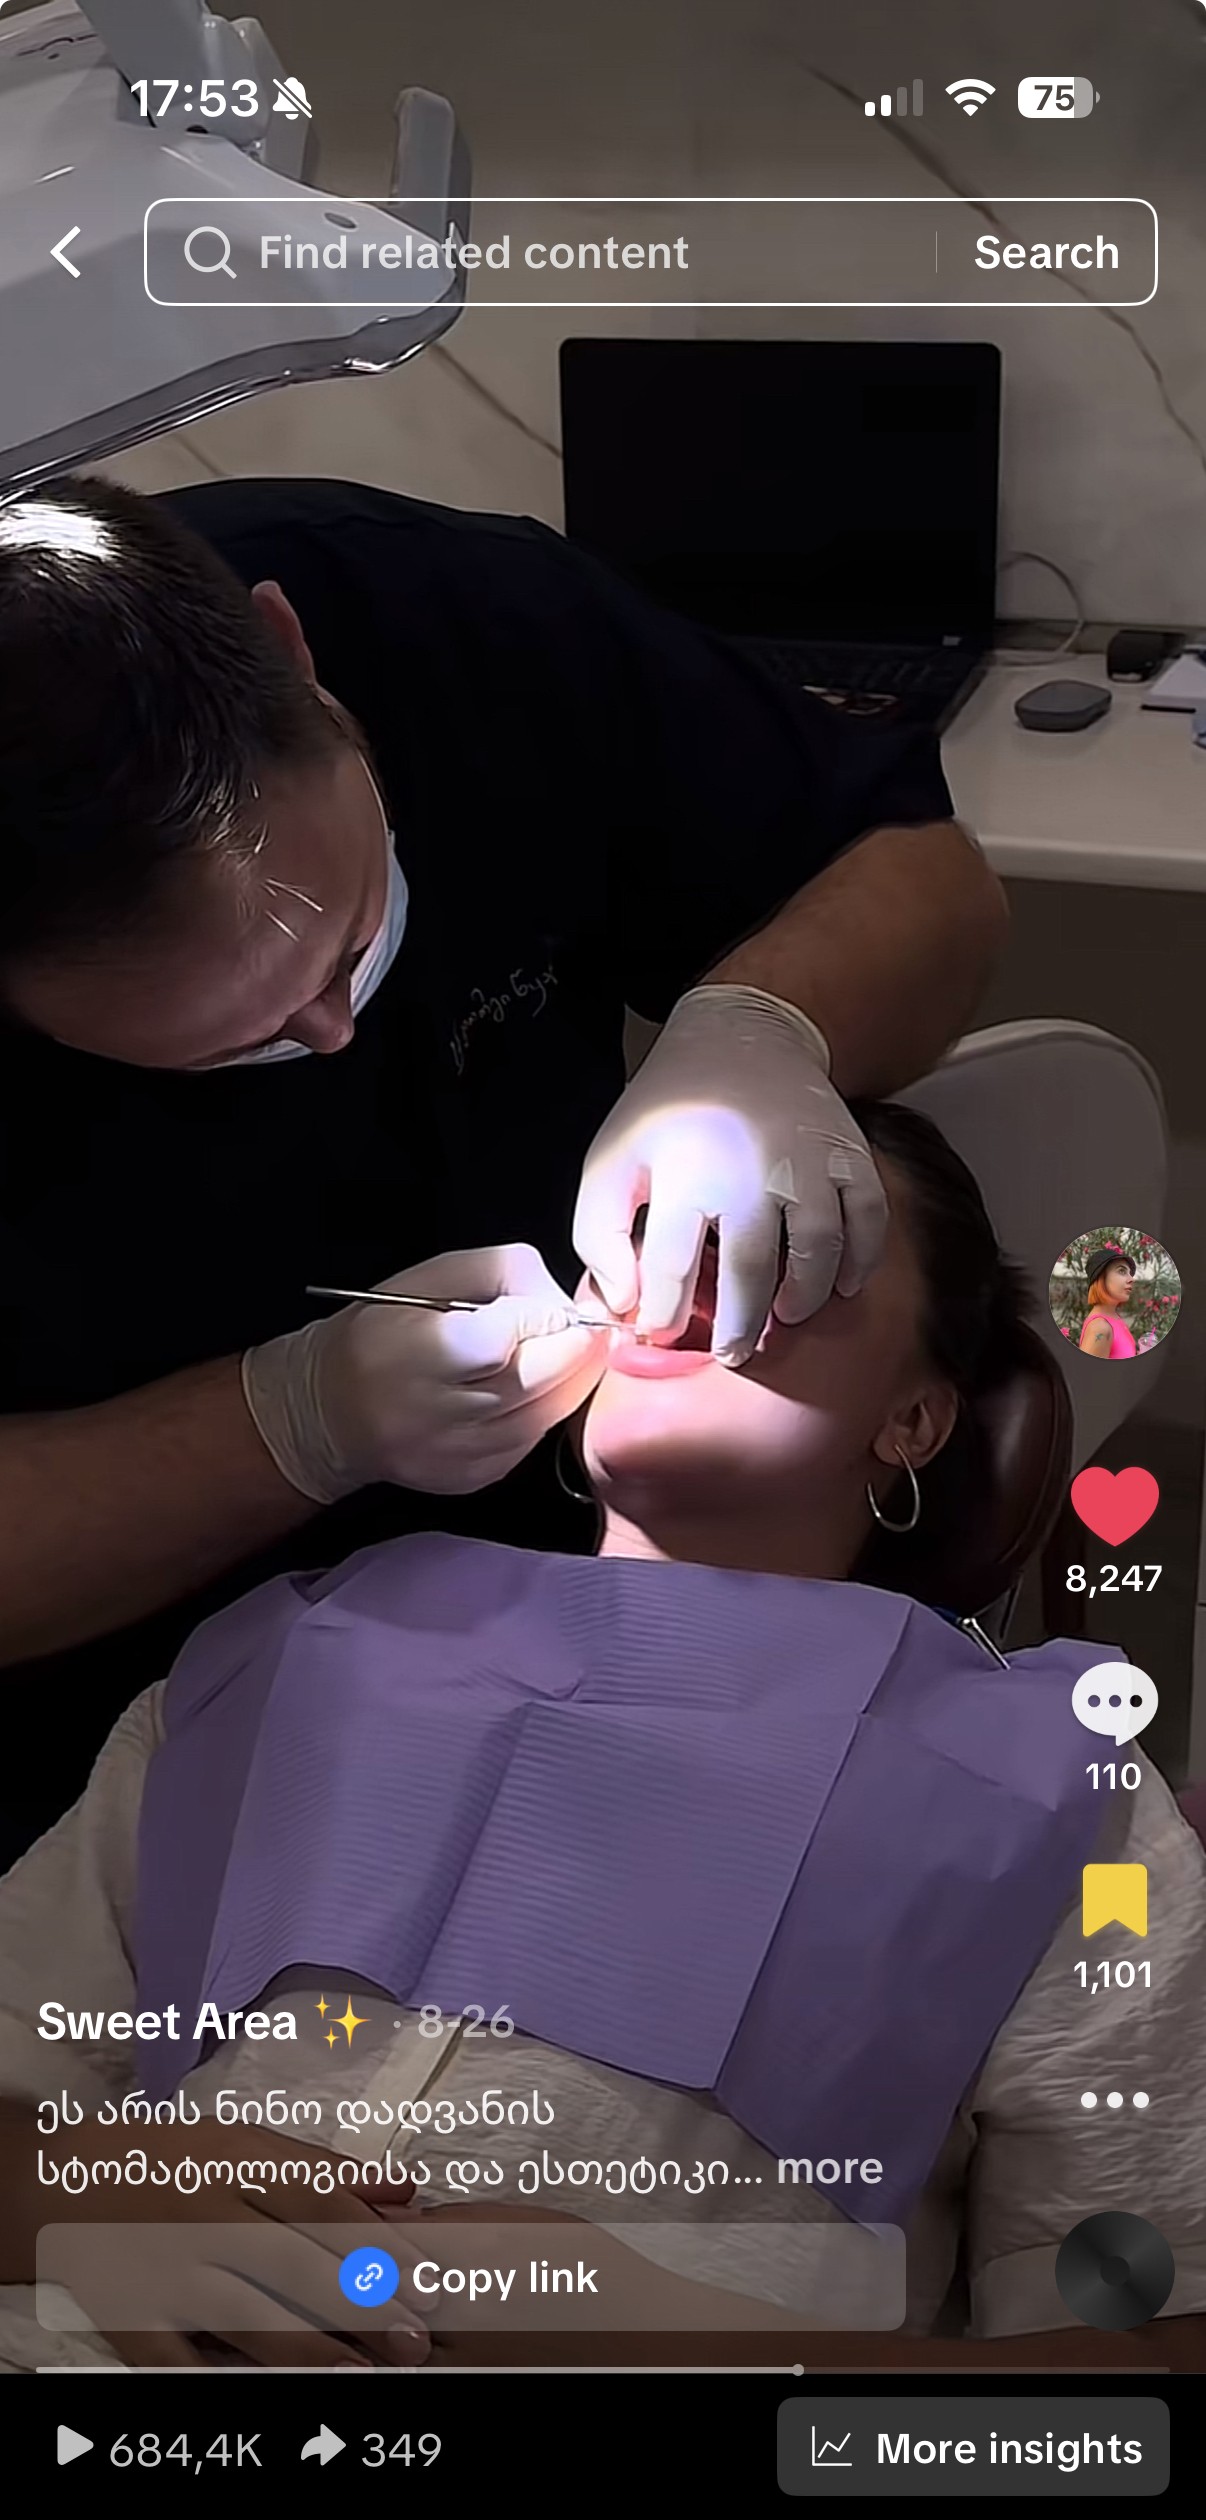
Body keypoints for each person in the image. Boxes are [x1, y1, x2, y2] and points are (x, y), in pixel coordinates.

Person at [1, 1106, 1202, 2375]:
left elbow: (1138, 2378)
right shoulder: (282, 1656)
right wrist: (82, 2188)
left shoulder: (1061, 1800)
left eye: (794, 1241)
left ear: (913, 1419)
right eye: (656, 1233)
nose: (694, 1273)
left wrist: (694, 2348)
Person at [0, 475, 1007, 1860]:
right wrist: (291, 1420)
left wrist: (756, 1027)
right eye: (232, 1040)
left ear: (295, 653)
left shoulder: (450, 617)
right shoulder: (208, 1730)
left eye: (350, 934)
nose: (334, 1030)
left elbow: (920, 874)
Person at [1077, 1247, 1138, 1359]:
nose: (1132, 1279)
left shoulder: (1114, 1318)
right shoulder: (1100, 1328)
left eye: (1130, 1273)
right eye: (1121, 1271)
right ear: (1101, 1278)